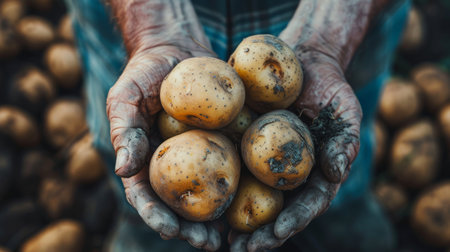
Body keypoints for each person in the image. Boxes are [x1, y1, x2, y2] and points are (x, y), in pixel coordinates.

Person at [64, 0, 410, 251]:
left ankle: (344, 208)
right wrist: (154, 28)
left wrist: (330, 38)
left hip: (338, 17)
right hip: (137, 21)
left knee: (333, 129)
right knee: (130, 129)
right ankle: (143, 230)